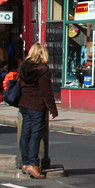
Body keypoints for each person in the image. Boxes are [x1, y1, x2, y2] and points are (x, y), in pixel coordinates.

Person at [18, 43, 58, 179]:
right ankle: (33, 164)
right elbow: (46, 92)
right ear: (43, 54)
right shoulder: (43, 70)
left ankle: (25, 162)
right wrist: (53, 109)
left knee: (25, 134)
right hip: (37, 106)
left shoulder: (23, 67)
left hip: (24, 104)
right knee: (35, 135)